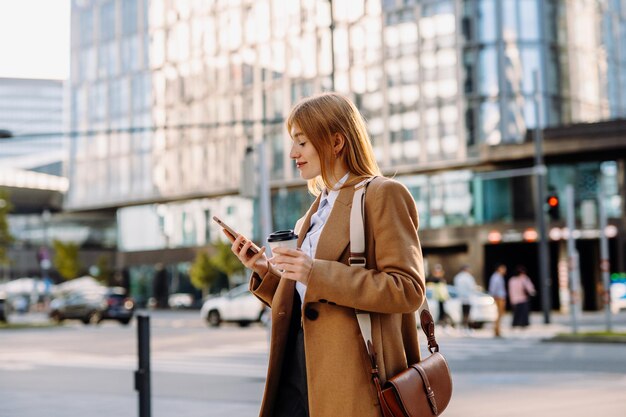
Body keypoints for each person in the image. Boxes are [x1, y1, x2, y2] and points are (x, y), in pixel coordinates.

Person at [226, 92, 425, 417]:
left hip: (354, 378)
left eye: (302, 143)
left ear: (336, 142)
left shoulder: (382, 195)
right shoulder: (312, 214)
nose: (293, 153)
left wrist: (314, 272)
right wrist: (265, 270)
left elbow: (407, 289)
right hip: (297, 371)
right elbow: (307, 302)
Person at [508, 265, 536, 329]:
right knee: (520, 313)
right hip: (521, 299)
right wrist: (532, 292)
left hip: (518, 299)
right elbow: (530, 288)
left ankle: (518, 324)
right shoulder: (522, 279)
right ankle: (520, 324)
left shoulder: (512, 280)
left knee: (519, 313)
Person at [453, 264, 476, 333]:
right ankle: (467, 327)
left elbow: (456, 288)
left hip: (460, 299)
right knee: (468, 314)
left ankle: (463, 327)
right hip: (468, 298)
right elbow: (472, 287)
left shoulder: (457, 277)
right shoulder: (469, 277)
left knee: (462, 313)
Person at [488, 263, 507, 337]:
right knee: (498, 314)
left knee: (500, 314)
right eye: (503, 268)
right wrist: (494, 296)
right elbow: (493, 288)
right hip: (498, 297)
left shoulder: (499, 276)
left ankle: (497, 329)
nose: (505, 270)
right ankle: (496, 330)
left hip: (500, 297)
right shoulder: (496, 277)